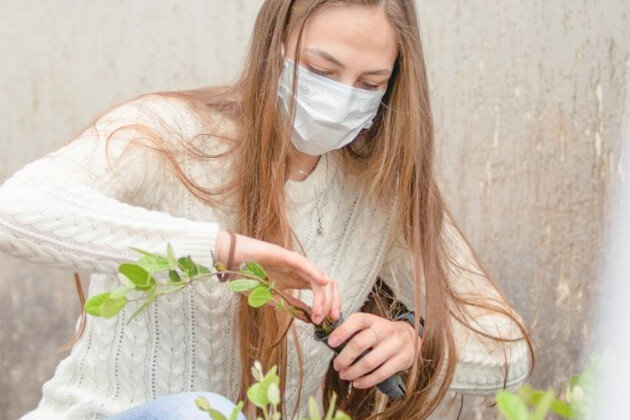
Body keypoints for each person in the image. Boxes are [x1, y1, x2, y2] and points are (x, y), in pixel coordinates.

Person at [0, 0, 534, 419]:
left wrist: (414, 341)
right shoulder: (168, 135)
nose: (343, 96)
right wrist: (222, 250)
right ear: (274, 48)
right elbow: (16, 211)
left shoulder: (378, 194)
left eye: (369, 85)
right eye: (322, 71)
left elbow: (508, 347)